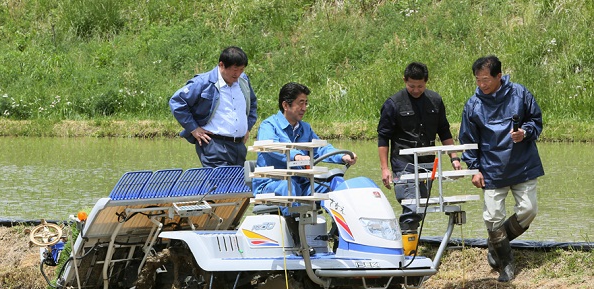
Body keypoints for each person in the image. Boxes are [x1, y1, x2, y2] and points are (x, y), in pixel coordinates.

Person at [459, 55, 544, 282]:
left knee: (529, 210)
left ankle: (495, 243)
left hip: (522, 163)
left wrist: (524, 132)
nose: (482, 84)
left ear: (499, 76)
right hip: (491, 168)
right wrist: (475, 169)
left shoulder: (520, 94)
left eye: (486, 79)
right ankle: (506, 263)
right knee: (493, 216)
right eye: (478, 80)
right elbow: (468, 140)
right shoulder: (473, 105)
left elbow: (536, 120)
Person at [253, 82, 357, 243]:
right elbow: (270, 147)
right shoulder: (269, 126)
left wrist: (341, 156)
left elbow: (320, 149)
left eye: (306, 103)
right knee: (290, 187)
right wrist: (295, 156)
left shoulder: (305, 128)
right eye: (300, 103)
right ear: (286, 105)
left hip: (302, 181)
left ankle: (339, 234)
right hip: (273, 183)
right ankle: (298, 243)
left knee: (334, 184)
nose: (304, 107)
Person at [378, 62, 462, 239]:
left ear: (426, 82)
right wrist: (385, 169)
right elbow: (383, 137)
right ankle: (407, 252)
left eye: (420, 86)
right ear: (404, 81)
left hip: (428, 164)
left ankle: (406, 242)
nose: (416, 90)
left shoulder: (435, 101)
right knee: (411, 206)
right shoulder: (393, 104)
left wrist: (454, 157)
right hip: (404, 164)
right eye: (411, 86)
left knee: (421, 206)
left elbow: (444, 131)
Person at [169, 46, 258, 167]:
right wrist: (194, 128)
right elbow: (177, 102)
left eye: (242, 69)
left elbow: (252, 104)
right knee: (220, 184)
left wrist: (247, 127)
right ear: (221, 65)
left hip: (239, 146)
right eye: (235, 69)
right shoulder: (203, 82)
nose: (238, 74)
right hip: (215, 146)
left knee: (238, 185)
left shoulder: (243, 80)